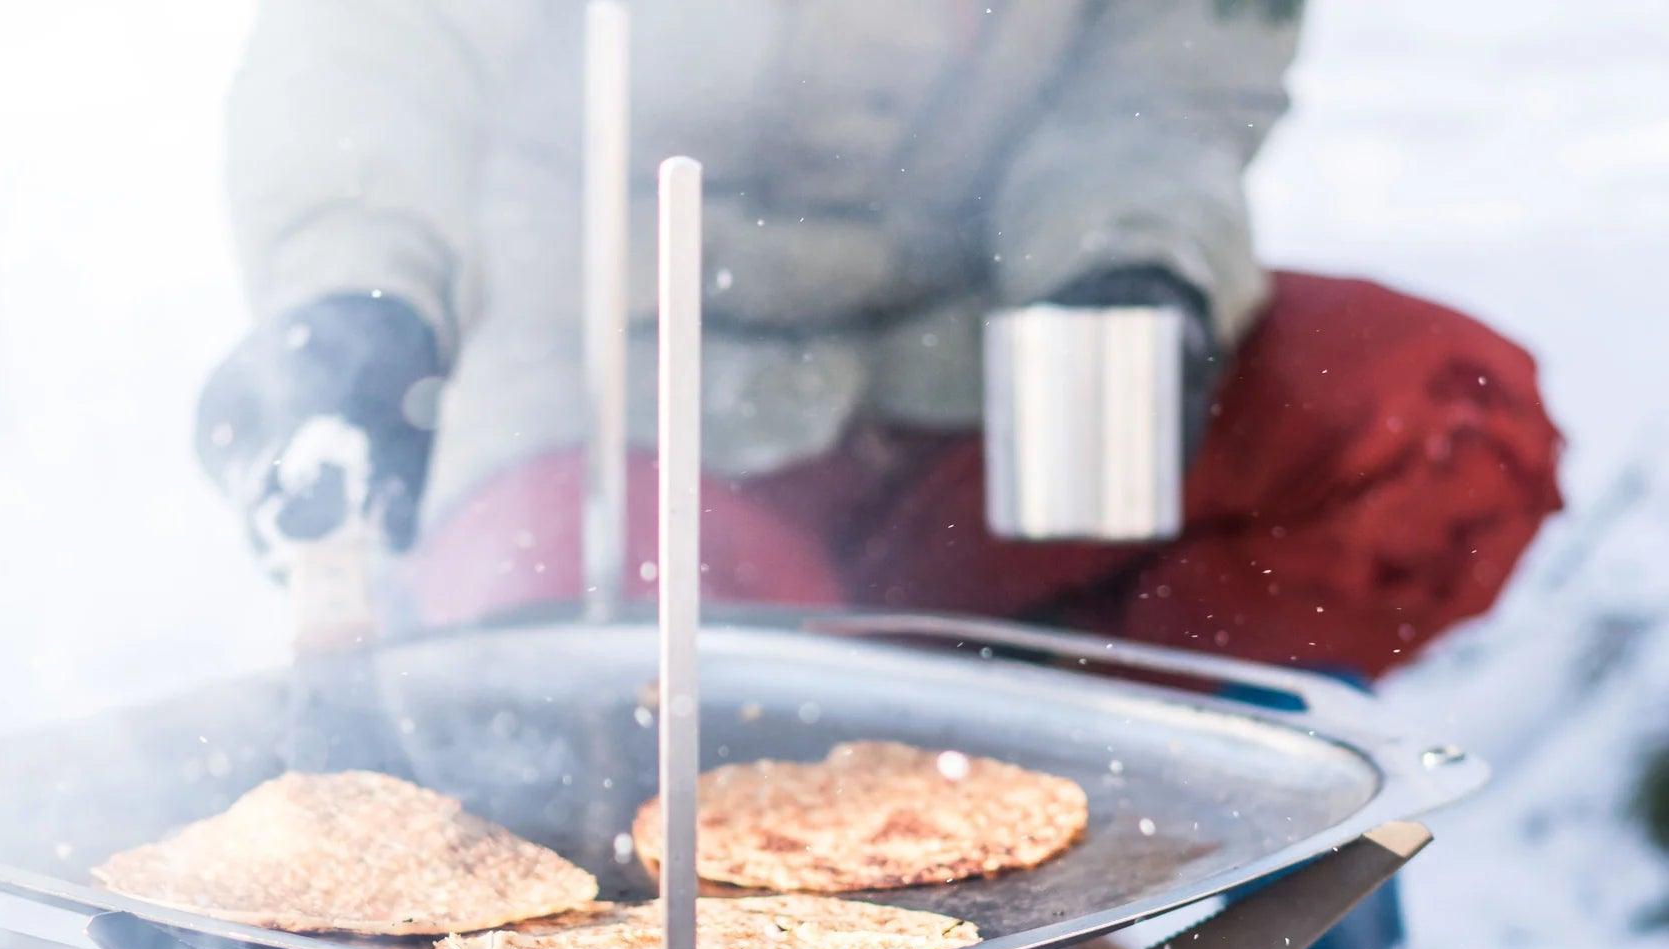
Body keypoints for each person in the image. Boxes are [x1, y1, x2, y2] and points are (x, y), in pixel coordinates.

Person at [198, 0, 1562, 683]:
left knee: (1442, 427)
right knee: (669, 681)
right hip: (614, 393)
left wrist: (1130, 262)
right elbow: (371, 53)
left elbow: (1168, 66)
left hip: (975, 365)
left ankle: (1080, 773)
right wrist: (355, 301)